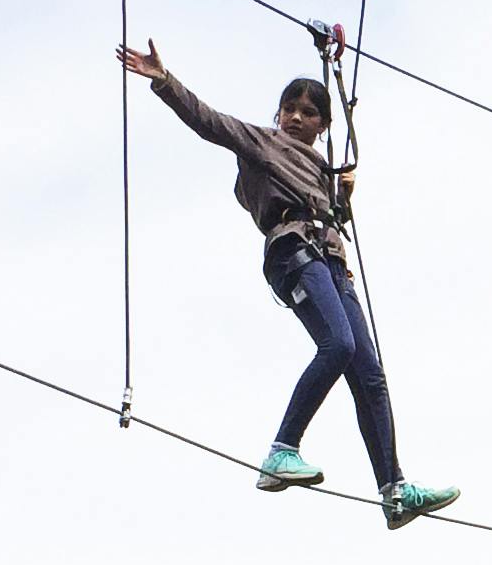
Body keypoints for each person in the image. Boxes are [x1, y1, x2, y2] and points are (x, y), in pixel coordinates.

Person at [117, 37, 458, 529]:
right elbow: (210, 121)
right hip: (293, 254)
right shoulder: (263, 142)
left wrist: (342, 198)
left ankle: (394, 489)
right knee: (337, 345)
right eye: (289, 109)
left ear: (323, 125)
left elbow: (334, 218)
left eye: (308, 112)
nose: (296, 118)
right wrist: (165, 81)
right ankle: (281, 451)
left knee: (370, 375)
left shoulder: (322, 169)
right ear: (278, 114)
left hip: (330, 263)